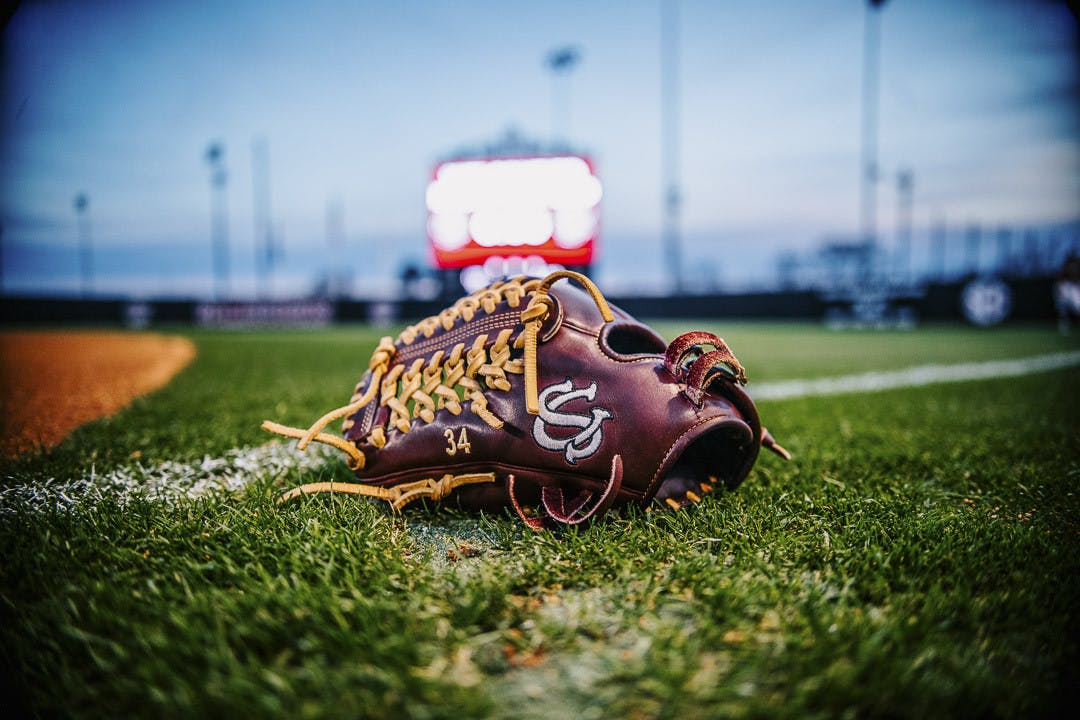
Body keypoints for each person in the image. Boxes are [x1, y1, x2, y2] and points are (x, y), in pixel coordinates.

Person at [1055, 253, 1080, 334]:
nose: (1072, 266)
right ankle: (1064, 323)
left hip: (1076, 289)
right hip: (1067, 289)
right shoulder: (1063, 272)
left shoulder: (1078, 270)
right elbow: (1059, 284)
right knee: (1061, 301)